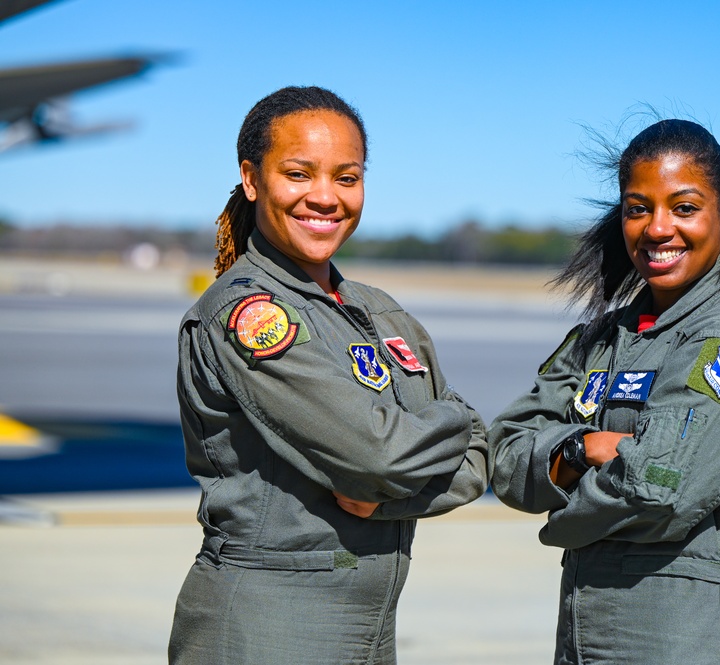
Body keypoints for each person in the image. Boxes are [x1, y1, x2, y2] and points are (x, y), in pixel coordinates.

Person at [168, 86, 489, 665]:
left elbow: (478, 459)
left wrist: (385, 499)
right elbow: (379, 456)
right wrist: (455, 421)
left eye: (347, 177)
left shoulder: (379, 311)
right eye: (298, 173)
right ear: (251, 179)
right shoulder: (250, 316)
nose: (325, 197)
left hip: (367, 633)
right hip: (269, 629)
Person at [489, 118, 720, 664]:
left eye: (684, 208)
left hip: (687, 636)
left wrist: (560, 513)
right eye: (639, 209)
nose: (659, 228)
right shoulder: (601, 338)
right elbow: (506, 457)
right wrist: (582, 448)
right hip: (584, 636)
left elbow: (662, 487)